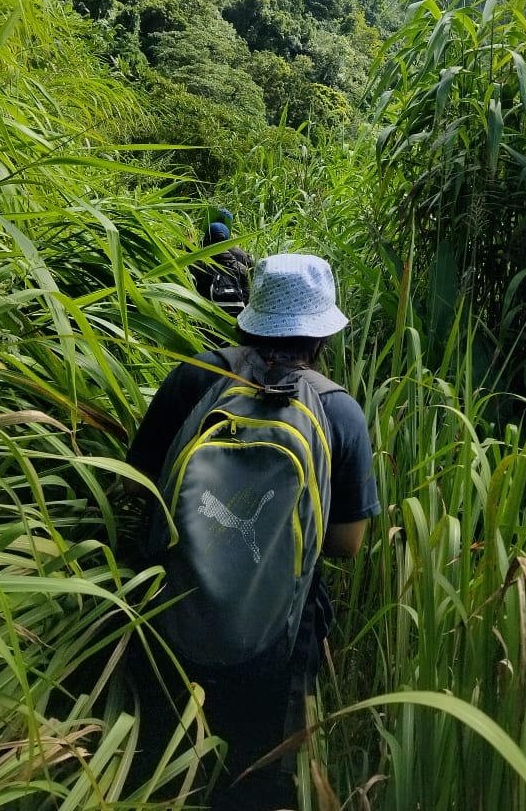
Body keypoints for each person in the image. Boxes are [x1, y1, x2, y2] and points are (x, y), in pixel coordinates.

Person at [126, 253, 379, 810]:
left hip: (168, 614)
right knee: (253, 779)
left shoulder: (196, 376)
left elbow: (136, 485)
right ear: (322, 332)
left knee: (158, 766)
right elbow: (347, 544)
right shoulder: (340, 412)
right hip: (276, 639)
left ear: (250, 317)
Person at [191, 219, 253, 316]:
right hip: (236, 319)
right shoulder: (241, 268)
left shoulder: (199, 266)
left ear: (207, 241)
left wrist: (190, 244)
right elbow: (247, 298)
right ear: (228, 243)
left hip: (208, 318)